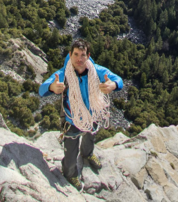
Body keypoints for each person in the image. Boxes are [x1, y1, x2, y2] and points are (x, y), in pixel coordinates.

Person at [39, 39, 123, 190]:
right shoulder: (63, 74)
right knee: (71, 154)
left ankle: (87, 154)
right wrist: (52, 87)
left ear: (88, 56)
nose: (79, 59)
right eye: (76, 54)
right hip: (72, 119)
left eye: (83, 55)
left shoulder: (96, 70)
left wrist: (113, 85)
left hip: (92, 115)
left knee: (90, 137)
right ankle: (70, 174)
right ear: (70, 55)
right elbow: (42, 89)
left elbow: (118, 80)